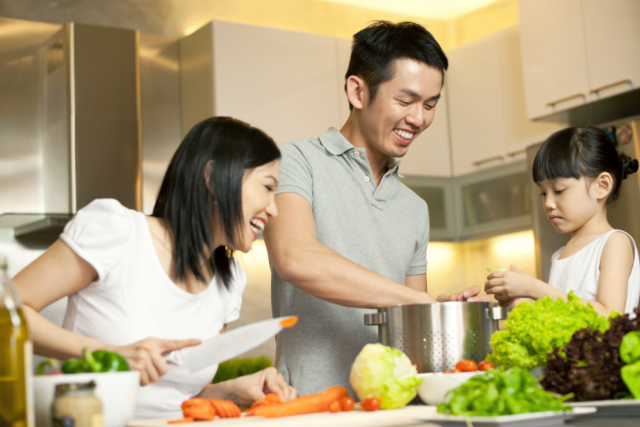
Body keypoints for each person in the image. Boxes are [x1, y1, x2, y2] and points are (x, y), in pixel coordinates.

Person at [14, 117, 297, 419]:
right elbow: (5, 314)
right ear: (213, 178)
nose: (273, 208)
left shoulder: (229, 284)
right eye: (267, 187)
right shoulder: (116, 233)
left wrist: (230, 390)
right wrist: (111, 354)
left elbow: (174, 394)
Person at [263, 21, 488, 397]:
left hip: (393, 409)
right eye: (405, 101)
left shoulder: (415, 208)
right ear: (357, 91)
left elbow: (411, 322)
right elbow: (294, 257)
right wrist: (417, 299)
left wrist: (439, 310)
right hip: (307, 407)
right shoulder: (295, 161)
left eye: (430, 105)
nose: (418, 119)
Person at [485, 126, 640, 316]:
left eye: (558, 190)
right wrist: (522, 300)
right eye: (543, 193)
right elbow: (562, 314)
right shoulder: (559, 256)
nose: (548, 203)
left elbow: (609, 315)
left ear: (602, 186)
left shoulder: (614, 243)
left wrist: (533, 287)